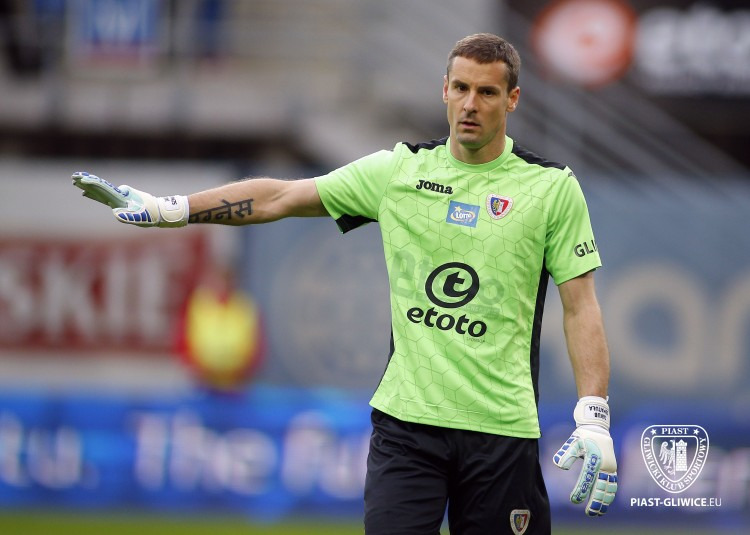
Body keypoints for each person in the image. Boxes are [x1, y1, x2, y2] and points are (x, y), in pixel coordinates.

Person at [72, 33, 617, 535]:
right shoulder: (399, 172)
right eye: (460, 88)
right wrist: (169, 209)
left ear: (512, 99)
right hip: (407, 427)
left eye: (487, 92)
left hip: (502, 431)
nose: (470, 104)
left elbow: (580, 307)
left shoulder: (551, 188)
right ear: (444, 90)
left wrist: (593, 415)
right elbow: (280, 197)